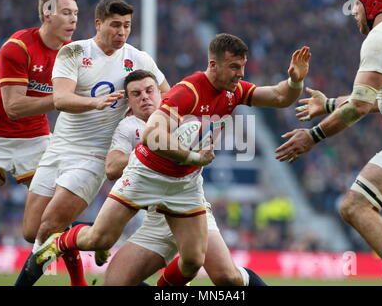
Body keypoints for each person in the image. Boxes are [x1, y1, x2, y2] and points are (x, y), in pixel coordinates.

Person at [35, 33, 310, 286]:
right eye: (235, 67)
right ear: (214, 65)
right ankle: (61, 242)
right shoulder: (187, 91)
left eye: (242, 66)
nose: (241, 73)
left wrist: (295, 81)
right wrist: (193, 156)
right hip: (146, 175)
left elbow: (277, 96)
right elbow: (152, 135)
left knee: (192, 261)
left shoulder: (233, 91)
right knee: (100, 239)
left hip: (184, 186)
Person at [15, 0, 170, 286]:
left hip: (95, 155)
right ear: (98, 24)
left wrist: (154, 125)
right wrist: (95, 103)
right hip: (59, 147)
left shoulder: (139, 59)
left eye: (126, 26)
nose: (121, 32)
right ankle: (96, 234)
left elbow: (167, 96)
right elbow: (60, 98)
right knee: (31, 229)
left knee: (48, 228)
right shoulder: (74, 52)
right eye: (115, 25)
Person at [275, 0, 382, 285]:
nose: (354, 13)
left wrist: (313, 136)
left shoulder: (379, 38)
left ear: (370, 4)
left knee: (353, 206)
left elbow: (360, 104)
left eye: (356, 5)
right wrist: (328, 103)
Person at [103, 69, 266, 286]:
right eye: (136, 94)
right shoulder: (126, 128)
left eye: (150, 91)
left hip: (190, 209)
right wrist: (148, 149)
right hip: (157, 216)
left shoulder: (183, 113)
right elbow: (112, 168)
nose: (145, 97)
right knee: (114, 284)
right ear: (129, 102)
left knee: (228, 278)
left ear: (161, 94)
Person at [0, 0, 81, 286]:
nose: (73, 20)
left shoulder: (72, 53)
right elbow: (14, 107)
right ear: (47, 14)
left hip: (36, 141)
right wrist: (60, 98)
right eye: (65, 13)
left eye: (75, 14)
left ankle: (78, 280)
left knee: (51, 221)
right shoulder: (17, 48)